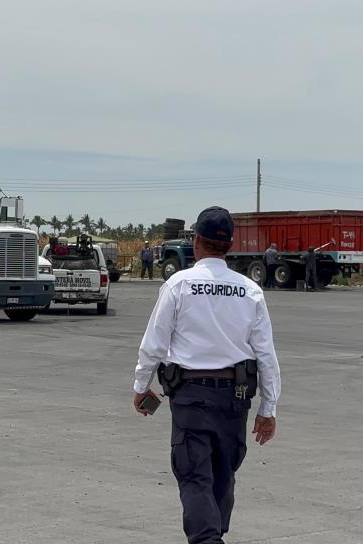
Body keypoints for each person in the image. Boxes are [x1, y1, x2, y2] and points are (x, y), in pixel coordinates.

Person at [132, 206, 281, 544]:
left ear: (196, 240)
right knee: (223, 474)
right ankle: (212, 535)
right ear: (229, 244)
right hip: (235, 399)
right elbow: (266, 356)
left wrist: (141, 386)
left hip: (191, 397)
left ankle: (207, 540)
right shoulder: (250, 291)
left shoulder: (178, 285)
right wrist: (268, 409)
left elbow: (153, 345)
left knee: (194, 475)